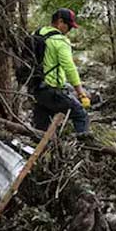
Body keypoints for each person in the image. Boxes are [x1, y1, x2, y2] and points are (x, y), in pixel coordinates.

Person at [30, 8, 91, 136]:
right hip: (52, 90)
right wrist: (80, 92)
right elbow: (69, 67)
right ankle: (84, 149)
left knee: (41, 130)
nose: (69, 30)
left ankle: (39, 153)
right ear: (60, 22)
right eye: (69, 26)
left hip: (36, 89)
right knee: (80, 115)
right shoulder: (60, 41)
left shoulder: (37, 34)